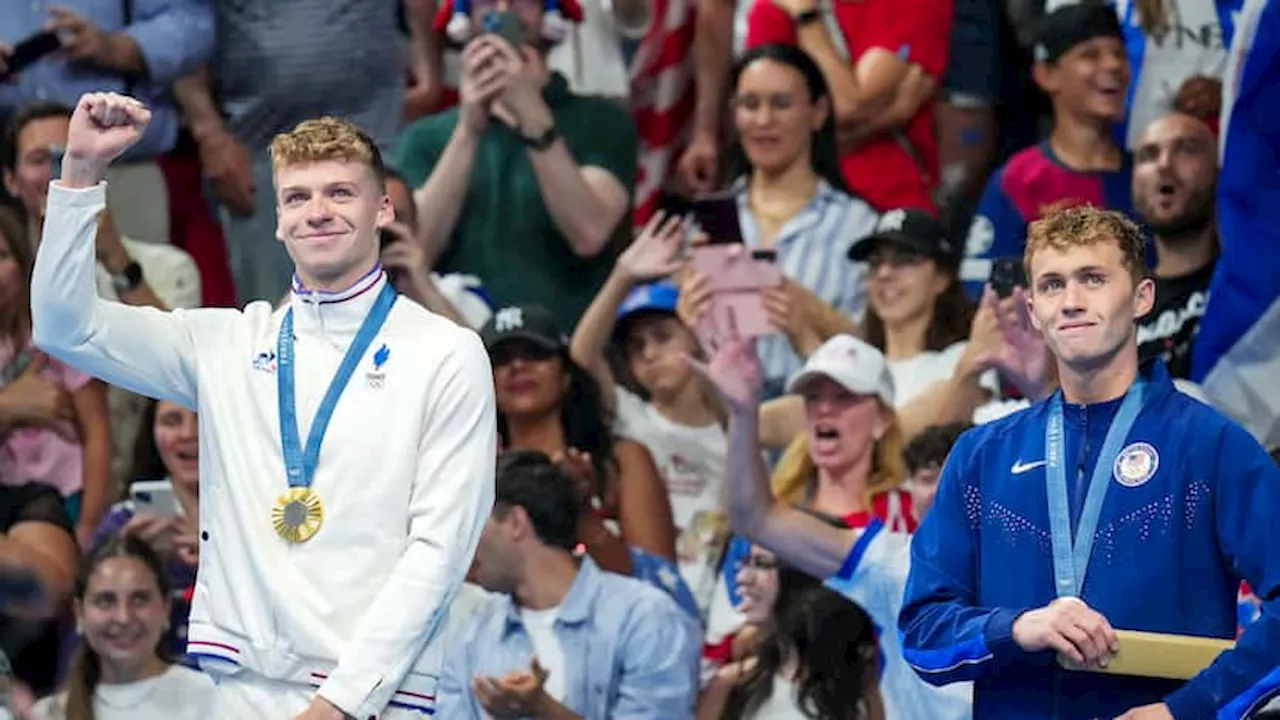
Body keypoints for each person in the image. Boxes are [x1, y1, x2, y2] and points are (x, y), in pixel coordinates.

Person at [30, 92, 497, 719]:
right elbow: (65, 328)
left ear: (383, 207)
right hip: (240, 691)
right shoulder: (225, 343)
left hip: (376, 699)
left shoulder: (447, 353)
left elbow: (441, 550)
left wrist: (339, 703)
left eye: (340, 193)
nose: (318, 212)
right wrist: (81, 177)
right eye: (298, 197)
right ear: (277, 219)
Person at [899, 206, 1280, 718]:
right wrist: (1015, 628)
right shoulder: (981, 457)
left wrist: (1187, 711)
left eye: (1094, 279)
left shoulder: (1209, 445)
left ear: (1142, 296)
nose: (1072, 301)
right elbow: (923, 633)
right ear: (1033, 310)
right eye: (1053, 285)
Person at [436, 450, 701, 719]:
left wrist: (544, 710)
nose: (464, 544)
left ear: (516, 523)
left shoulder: (645, 619)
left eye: (475, 522)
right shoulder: (470, 637)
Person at [30, 534, 216, 720]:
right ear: (79, 613)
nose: (123, 617)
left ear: (166, 608)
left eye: (139, 599)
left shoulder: (212, 698)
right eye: (106, 601)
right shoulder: (48, 713)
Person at [1130, 113, 1219, 379]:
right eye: (1149, 155)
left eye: (1186, 150)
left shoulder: (1255, 291)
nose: (1164, 165)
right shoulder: (1115, 309)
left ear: (1219, 169)